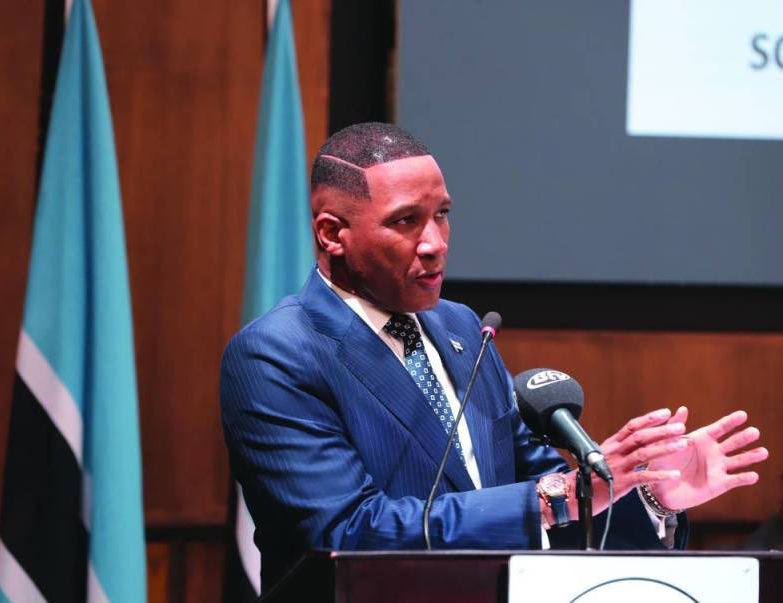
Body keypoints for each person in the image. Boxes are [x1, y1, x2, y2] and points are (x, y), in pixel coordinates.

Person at [220, 122, 768, 592]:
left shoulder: (461, 329)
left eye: (443, 214)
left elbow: (548, 493)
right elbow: (348, 533)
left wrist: (651, 497)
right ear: (332, 234)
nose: (435, 241)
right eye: (406, 221)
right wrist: (556, 499)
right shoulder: (277, 355)